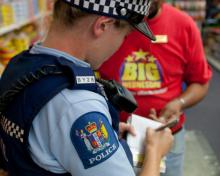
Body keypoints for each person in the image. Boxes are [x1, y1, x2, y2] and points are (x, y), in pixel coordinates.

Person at [0, 0, 173, 176]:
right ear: (103, 25)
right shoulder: (77, 104)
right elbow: (68, 114)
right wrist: (155, 151)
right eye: (124, 36)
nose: (121, 44)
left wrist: (105, 133)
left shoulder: (21, 63)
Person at [97, 0, 212, 176]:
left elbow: (200, 82)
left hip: (166, 136)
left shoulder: (183, 25)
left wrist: (179, 103)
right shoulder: (107, 22)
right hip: (114, 135)